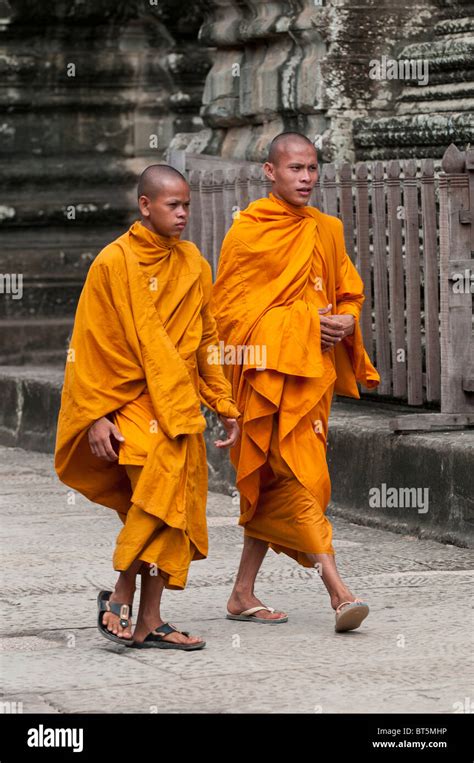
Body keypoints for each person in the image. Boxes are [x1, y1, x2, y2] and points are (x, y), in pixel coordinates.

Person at [55, 164, 240, 650]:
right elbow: (90, 343)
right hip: (129, 404)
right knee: (155, 500)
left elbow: (206, 340)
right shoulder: (112, 263)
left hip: (179, 405)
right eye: (172, 205)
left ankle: (148, 621)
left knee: (171, 509)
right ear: (145, 206)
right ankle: (119, 590)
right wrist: (95, 414)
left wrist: (223, 402)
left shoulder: (194, 263)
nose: (182, 214)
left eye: (186, 206)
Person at [211, 132, 380, 632]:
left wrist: (346, 321)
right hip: (265, 378)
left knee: (274, 480)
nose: (306, 178)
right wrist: (308, 324)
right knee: (295, 476)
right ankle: (337, 589)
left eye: (312, 168)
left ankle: (242, 592)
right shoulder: (247, 233)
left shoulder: (326, 229)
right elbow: (230, 318)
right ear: (269, 172)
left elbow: (349, 292)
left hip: (309, 380)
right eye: (294, 169)